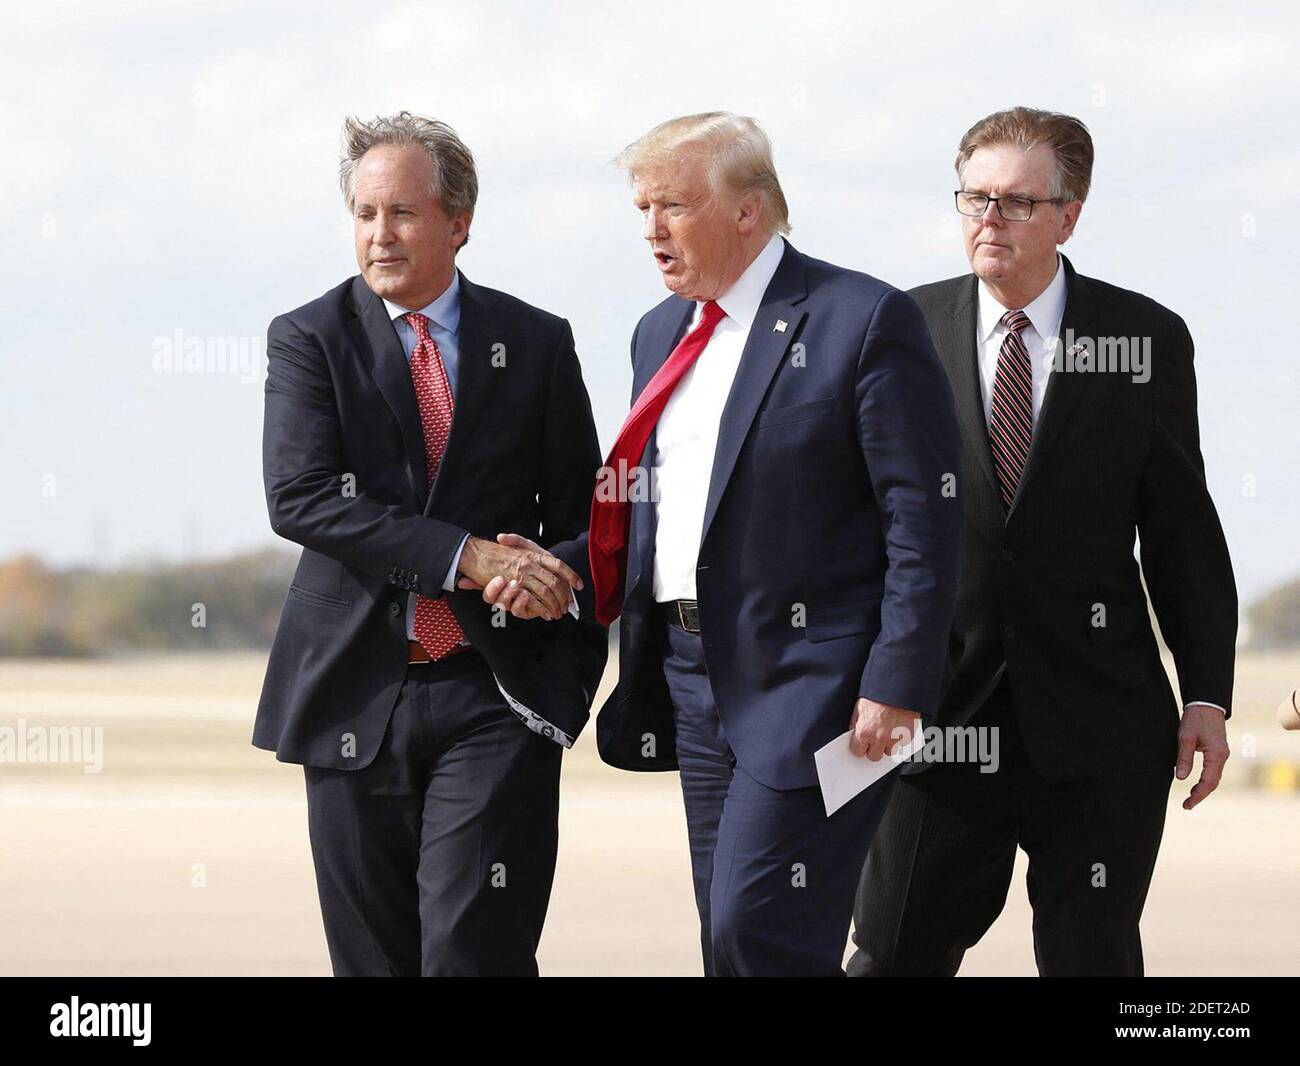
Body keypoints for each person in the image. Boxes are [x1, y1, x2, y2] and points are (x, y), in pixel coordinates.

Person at [480, 112, 962, 975]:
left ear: (750, 210)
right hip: (692, 682)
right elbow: (655, 518)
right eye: (641, 209)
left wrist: (897, 685)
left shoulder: (861, 317)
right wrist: (553, 568)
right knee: (733, 938)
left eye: (671, 205)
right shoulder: (659, 332)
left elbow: (923, 521)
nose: (651, 230)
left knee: (755, 927)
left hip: (824, 689)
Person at [849, 107, 1238, 977]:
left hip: (1101, 731)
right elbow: (853, 528)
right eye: (975, 197)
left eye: (1020, 203)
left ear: (1070, 216)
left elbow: (1181, 531)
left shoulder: (1143, 340)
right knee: (890, 957)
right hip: (933, 720)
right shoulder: (894, 331)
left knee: (1093, 961)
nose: (991, 217)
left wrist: (1207, 692)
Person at [252, 111, 606, 976]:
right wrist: (468, 556)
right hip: (351, 695)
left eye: (403, 213)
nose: (379, 235)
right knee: (373, 963)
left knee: (470, 955)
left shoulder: (535, 341)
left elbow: (589, 517)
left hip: (495, 691)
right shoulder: (309, 338)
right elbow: (299, 499)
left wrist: (543, 575)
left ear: (459, 220)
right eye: (366, 214)